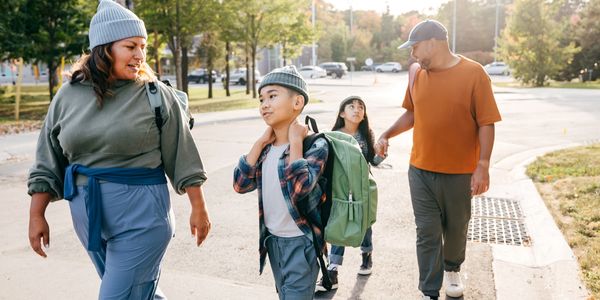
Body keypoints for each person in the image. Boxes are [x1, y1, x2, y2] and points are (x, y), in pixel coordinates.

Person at [27, 1, 211, 299]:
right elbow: (48, 159)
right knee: (139, 294)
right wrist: (37, 214)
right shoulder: (68, 95)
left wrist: (198, 208)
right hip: (89, 219)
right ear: (104, 48)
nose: (140, 55)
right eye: (131, 46)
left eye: (143, 46)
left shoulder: (155, 95)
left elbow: (183, 153)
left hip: (144, 218)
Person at [375, 20, 501, 300]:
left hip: (460, 172)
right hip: (420, 170)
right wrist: (387, 133)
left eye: (415, 47)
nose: (413, 55)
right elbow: (412, 113)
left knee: (456, 227)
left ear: (433, 42)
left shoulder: (474, 73)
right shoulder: (417, 73)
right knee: (427, 231)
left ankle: (452, 268)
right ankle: (428, 290)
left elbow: (487, 122)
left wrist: (483, 166)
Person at [233, 65, 328, 299]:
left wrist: (295, 143)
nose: (264, 104)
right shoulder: (266, 150)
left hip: (301, 242)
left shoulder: (315, 146)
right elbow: (240, 184)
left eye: (272, 96)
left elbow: (301, 189)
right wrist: (259, 143)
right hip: (272, 241)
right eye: (261, 99)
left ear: (297, 103)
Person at [315, 95, 384, 292]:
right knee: (339, 225)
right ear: (342, 113)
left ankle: (367, 254)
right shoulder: (333, 135)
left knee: (365, 224)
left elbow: (372, 160)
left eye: (361, 107)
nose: (357, 110)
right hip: (340, 190)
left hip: (363, 189)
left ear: (364, 115)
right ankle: (333, 270)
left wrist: (381, 155)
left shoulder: (365, 134)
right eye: (351, 106)